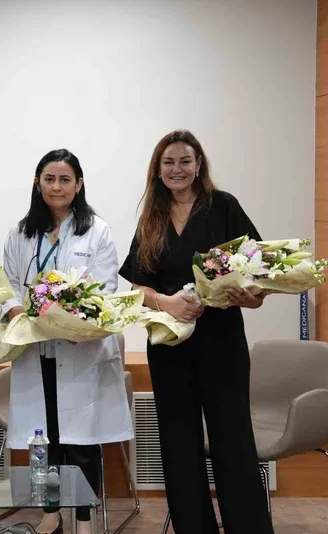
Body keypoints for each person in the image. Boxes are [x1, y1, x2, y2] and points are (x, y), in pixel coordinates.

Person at [119, 129, 274, 534]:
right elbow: (137, 287)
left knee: (233, 439)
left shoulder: (224, 206)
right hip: (169, 345)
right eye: (168, 162)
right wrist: (165, 302)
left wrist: (250, 297)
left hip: (222, 342)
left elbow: (260, 278)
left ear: (198, 164)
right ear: (158, 170)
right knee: (179, 441)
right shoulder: (151, 217)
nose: (177, 169)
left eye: (185, 161)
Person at [0, 149, 133, 534]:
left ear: (78, 184)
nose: (56, 187)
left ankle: (85, 518)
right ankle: (50, 513)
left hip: (80, 351)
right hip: (35, 350)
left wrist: (70, 319)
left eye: (64, 180)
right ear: (37, 183)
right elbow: (7, 284)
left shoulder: (97, 231)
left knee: (82, 441)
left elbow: (104, 286)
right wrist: (14, 309)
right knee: (44, 440)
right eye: (49, 179)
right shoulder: (21, 233)